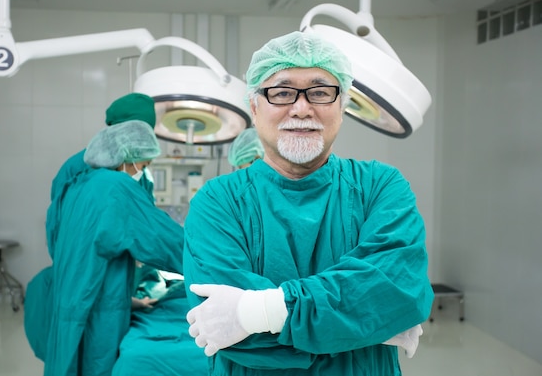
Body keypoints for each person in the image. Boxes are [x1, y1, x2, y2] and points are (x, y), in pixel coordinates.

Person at [183, 31, 433, 375]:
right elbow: (228, 335)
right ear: (254, 108)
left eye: (319, 92)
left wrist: (255, 313)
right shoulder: (218, 201)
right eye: (282, 92)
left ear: (341, 107)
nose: (302, 108)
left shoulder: (381, 187)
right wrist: (367, 324)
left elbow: (398, 293)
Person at [35, 120, 185, 376]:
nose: (142, 173)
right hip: (98, 310)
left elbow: (90, 254)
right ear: (127, 156)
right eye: (144, 166)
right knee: (96, 365)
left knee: (70, 363)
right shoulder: (115, 188)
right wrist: (211, 258)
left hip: (72, 301)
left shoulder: (79, 185)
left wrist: (130, 300)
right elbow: (164, 239)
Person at [50, 92, 157, 202]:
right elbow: (59, 214)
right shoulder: (75, 169)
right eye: (139, 136)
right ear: (119, 131)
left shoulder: (142, 176)